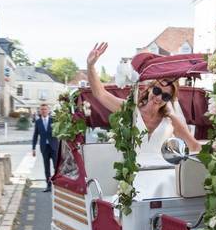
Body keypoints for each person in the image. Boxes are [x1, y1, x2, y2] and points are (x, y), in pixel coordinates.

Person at [86, 42, 202, 198]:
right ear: (149, 89)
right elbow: (100, 94)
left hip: (163, 173)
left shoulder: (171, 120)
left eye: (165, 96)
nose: (159, 97)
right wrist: (91, 65)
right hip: (136, 173)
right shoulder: (129, 110)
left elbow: (193, 145)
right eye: (157, 90)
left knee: (167, 187)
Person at [31, 103, 58, 192]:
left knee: (56, 167)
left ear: (48, 110)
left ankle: (57, 185)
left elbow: (59, 133)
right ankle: (49, 185)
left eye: (45, 109)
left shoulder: (54, 120)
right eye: (42, 109)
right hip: (44, 148)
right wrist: (33, 148)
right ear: (40, 111)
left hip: (54, 147)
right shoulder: (38, 122)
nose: (43, 111)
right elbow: (35, 135)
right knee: (46, 167)